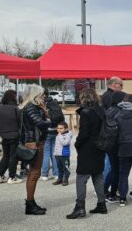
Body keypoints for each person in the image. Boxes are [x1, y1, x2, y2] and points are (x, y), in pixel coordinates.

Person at [67, 88, 107, 219]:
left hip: (87, 147)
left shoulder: (86, 112)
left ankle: (80, 207)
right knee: (98, 175)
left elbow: (84, 132)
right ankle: (102, 204)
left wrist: (77, 143)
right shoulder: (101, 111)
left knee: (81, 177)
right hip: (100, 146)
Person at [19, 85, 51, 214]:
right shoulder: (31, 106)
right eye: (42, 94)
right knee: (34, 174)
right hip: (34, 142)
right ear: (35, 94)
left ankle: (31, 203)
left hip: (34, 141)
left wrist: (44, 111)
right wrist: (48, 118)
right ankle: (30, 204)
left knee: (34, 173)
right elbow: (41, 123)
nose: (44, 96)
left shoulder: (30, 106)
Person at [0, 89, 21, 183]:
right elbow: (20, 122)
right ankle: (12, 177)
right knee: (13, 156)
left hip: (3, 135)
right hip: (14, 134)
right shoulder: (16, 108)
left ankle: (0, 175)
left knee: (5, 155)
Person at [40, 93, 66, 181]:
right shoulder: (56, 106)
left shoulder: (45, 107)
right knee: (54, 153)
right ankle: (56, 173)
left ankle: (44, 174)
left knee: (46, 153)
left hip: (47, 132)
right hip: (56, 132)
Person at [52, 122, 72, 186]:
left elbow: (64, 143)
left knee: (66, 168)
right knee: (59, 168)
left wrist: (60, 135)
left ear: (66, 129)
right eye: (58, 128)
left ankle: (66, 180)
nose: (59, 129)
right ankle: (60, 179)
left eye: (61, 128)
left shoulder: (68, 135)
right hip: (57, 155)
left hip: (64, 155)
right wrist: (55, 153)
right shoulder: (58, 135)